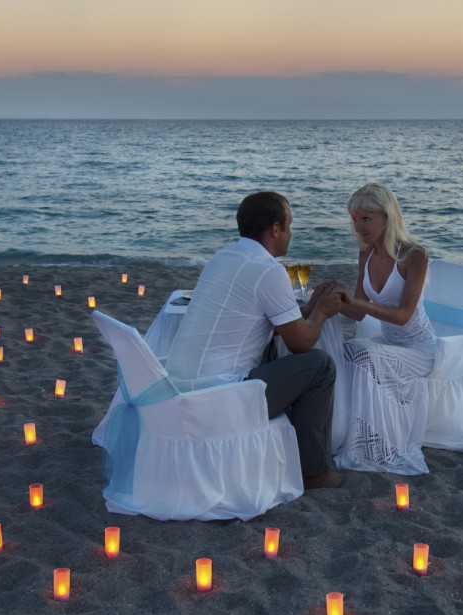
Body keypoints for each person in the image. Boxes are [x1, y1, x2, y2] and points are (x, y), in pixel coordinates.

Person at [166, 191, 346, 489]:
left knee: (277, 349)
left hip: (180, 389)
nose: (291, 233)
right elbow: (302, 342)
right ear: (275, 229)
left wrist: (311, 308)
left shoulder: (223, 257)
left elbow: (260, 321)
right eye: (289, 225)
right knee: (320, 366)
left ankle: (294, 445)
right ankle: (313, 471)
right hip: (220, 398)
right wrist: (323, 312)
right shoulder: (268, 271)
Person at [334, 183, 436, 475]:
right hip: (388, 342)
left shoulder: (415, 255)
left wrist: (356, 302)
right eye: (355, 218)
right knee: (349, 350)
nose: (358, 226)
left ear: (387, 217)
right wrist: (332, 298)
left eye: (366, 218)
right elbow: (356, 309)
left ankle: (381, 447)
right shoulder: (366, 255)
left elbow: (403, 316)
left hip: (419, 349)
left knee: (361, 351)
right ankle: (361, 441)